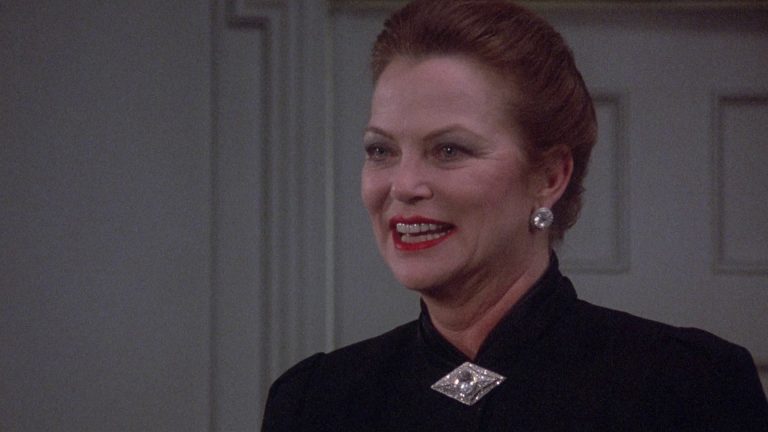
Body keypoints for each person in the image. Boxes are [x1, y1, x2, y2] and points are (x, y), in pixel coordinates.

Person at [262, 0, 768, 430]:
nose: (404, 185)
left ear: (548, 177)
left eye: (449, 150)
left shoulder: (690, 387)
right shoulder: (315, 401)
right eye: (381, 150)